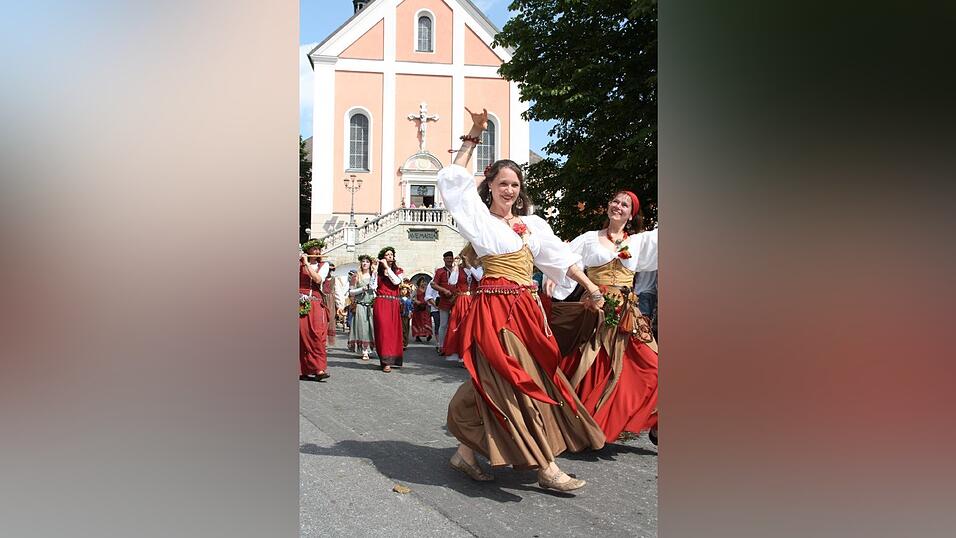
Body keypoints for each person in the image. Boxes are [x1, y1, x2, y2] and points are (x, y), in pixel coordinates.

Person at [439, 107, 608, 493]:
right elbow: (453, 184)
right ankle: (546, 467)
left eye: (515, 184)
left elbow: (558, 258)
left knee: (496, 381)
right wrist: (474, 133)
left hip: (528, 312)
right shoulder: (480, 222)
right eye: (502, 184)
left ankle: (465, 452)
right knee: (521, 380)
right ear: (491, 186)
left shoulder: (532, 225)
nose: (509, 190)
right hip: (495, 312)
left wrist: (591, 287)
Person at [550, 191, 659, 446]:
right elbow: (564, 258)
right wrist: (553, 280)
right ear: (608, 205)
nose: (618, 206)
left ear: (631, 214)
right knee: (592, 368)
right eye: (615, 201)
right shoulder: (589, 239)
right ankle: (583, 427)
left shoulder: (639, 242)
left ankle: (654, 419)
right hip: (595, 310)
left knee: (652, 364)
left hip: (626, 315)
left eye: (625, 205)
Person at [441, 246, 482, 364]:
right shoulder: (458, 269)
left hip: (474, 299)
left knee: (473, 326)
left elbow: (479, 277)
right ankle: (462, 355)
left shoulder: (477, 268)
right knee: (462, 326)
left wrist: (470, 266)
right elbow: (452, 282)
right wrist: (455, 267)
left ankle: (473, 354)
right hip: (462, 300)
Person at [299, 239, 331, 382]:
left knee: (317, 335)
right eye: (314, 249)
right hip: (300, 302)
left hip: (316, 303)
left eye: (319, 249)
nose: (317, 251)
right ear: (308, 251)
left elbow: (318, 279)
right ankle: (303, 369)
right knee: (301, 335)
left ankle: (319, 368)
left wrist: (306, 264)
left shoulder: (324, 265)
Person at [371, 246, 404, 372]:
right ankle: (385, 361)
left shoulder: (399, 271)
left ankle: (393, 358)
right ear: (383, 258)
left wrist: (387, 268)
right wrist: (374, 271)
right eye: (387, 254)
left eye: (391, 254)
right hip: (381, 302)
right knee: (383, 331)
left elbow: (396, 282)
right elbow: (372, 286)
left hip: (394, 303)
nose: (390, 256)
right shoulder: (378, 273)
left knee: (393, 331)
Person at [429, 250, 463, 355]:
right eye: (447, 258)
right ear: (444, 259)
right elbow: (433, 284)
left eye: (450, 258)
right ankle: (441, 346)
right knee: (443, 324)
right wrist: (444, 290)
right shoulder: (440, 271)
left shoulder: (458, 270)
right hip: (444, 300)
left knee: (456, 323)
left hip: (457, 299)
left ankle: (454, 345)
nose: (449, 260)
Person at [348, 255, 376, 361]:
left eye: (367, 262)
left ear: (370, 264)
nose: (365, 263)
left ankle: (371, 348)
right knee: (362, 327)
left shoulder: (374, 276)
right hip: (360, 304)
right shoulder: (356, 276)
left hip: (371, 305)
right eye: (363, 261)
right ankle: (364, 351)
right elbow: (351, 291)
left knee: (371, 327)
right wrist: (362, 289)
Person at [411, 277, 434, 342]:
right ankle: (417, 335)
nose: (423, 283)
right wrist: (416, 301)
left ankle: (428, 334)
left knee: (427, 321)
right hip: (418, 308)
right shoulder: (416, 290)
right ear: (419, 283)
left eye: (424, 282)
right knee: (417, 322)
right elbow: (412, 297)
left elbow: (429, 297)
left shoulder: (427, 290)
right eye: (422, 282)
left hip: (425, 307)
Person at [321, 263, 337, 346]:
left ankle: (327, 341)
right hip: (322, 299)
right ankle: (322, 340)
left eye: (329, 270)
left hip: (330, 300)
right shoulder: (321, 278)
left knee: (330, 319)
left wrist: (339, 305)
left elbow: (337, 291)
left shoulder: (334, 279)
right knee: (321, 319)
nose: (328, 272)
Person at [399, 280, 413, 350]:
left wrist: (410, 313)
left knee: (405, 329)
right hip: (399, 316)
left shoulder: (409, 299)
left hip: (406, 316)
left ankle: (404, 343)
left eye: (405, 290)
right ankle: (400, 343)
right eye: (402, 290)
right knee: (400, 330)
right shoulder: (398, 299)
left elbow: (411, 307)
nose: (403, 291)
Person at [425, 280, 440, 344]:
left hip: (447, 307)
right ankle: (439, 343)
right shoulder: (432, 281)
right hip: (435, 308)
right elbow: (428, 296)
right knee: (438, 325)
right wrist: (436, 306)